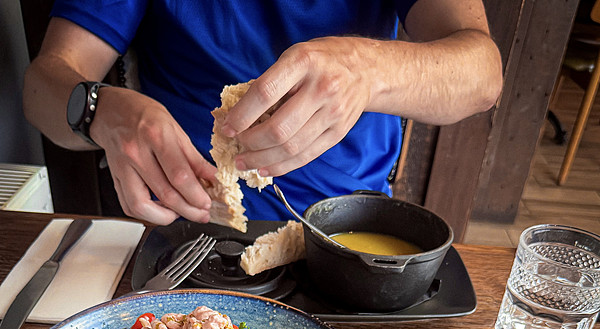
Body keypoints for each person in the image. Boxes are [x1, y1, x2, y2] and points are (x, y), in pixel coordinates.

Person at [23, 1, 502, 226]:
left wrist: (365, 68)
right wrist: (99, 109)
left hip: (348, 227)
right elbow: (41, 86)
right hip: (187, 230)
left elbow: (481, 75)